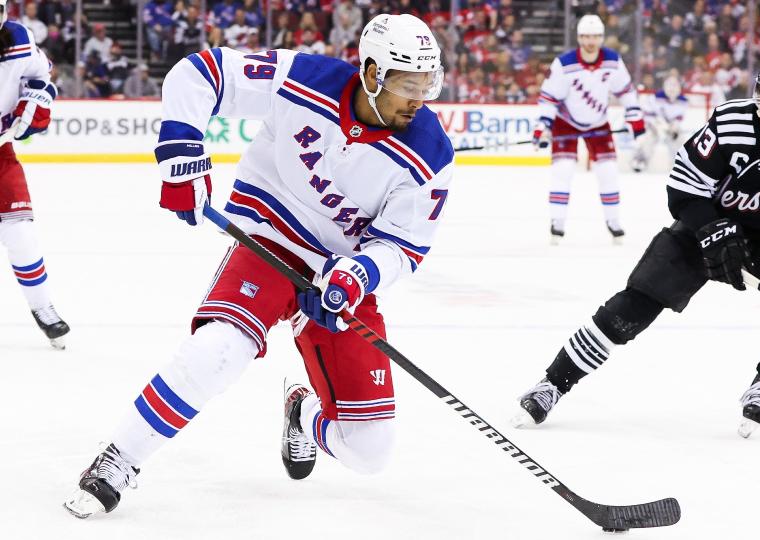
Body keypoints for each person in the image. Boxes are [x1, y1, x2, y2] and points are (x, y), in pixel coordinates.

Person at [63, 13, 453, 518]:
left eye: (429, 83)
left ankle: (302, 410)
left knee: (369, 451)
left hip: (340, 275)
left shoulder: (431, 152)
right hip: (269, 241)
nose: (420, 98)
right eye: (408, 84)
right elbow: (199, 72)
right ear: (373, 73)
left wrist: (357, 276)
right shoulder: (306, 79)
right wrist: (182, 151)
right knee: (220, 349)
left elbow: (403, 244)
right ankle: (120, 457)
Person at [513, 50, 760, 439]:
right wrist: (713, 230)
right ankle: (553, 384)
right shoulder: (729, 121)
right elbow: (683, 189)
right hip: (705, 228)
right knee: (635, 302)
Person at [533, 14, 645, 245]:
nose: (590, 42)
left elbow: (626, 91)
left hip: (598, 122)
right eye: (586, 36)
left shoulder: (613, 61)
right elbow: (549, 98)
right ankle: (557, 224)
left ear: (601, 38)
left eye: (595, 37)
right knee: (563, 170)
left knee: (609, 172)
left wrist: (635, 118)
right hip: (567, 122)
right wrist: (543, 126)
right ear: (579, 38)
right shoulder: (564, 63)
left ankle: (614, 222)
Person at [0, 1, 70, 349]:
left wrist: (37, 99)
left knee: (22, 234)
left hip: (0, 153)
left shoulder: (19, 39)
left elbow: (42, 76)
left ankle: (43, 308)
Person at [631, 75, 688, 173]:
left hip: (669, 127)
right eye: (670, 86)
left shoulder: (683, 101)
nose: (672, 89)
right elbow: (649, 115)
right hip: (654, 125)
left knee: (679, 139)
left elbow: (678, 118)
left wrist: (674, 127)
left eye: (675, 86)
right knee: (648, 138)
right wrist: (659, 125)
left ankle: (679, 165)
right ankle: (640, 160)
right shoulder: (655, 98)